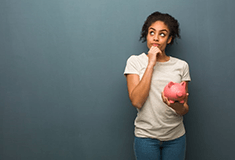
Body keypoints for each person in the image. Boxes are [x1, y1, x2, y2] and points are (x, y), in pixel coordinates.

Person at [124, 11, 191, 160]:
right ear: (146, 35)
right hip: (146, 137)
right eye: (152, 32)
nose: (155, 37)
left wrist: (175, 106)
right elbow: (137, 101)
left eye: (162, 34)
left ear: (169, 39)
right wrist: (151, 63)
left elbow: (184, 109)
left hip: (175, 137)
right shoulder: (135, 62)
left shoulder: (181, 66)